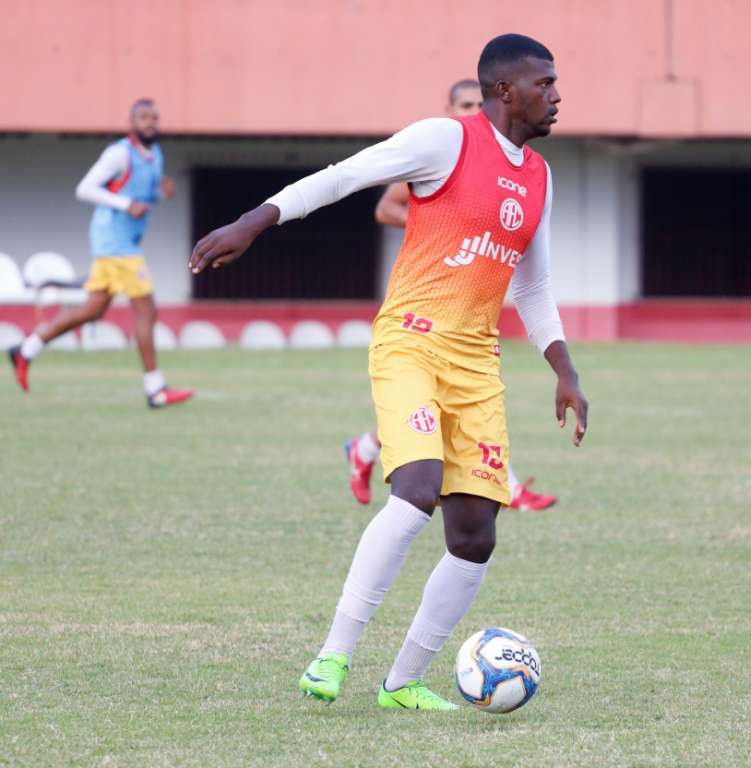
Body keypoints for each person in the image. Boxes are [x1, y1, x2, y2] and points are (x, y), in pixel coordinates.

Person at [189, 34, 587, 711]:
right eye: (545, 83)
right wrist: (253, 223)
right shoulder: (445, 140)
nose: (557, 95)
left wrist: (564, 369)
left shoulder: (540, 176)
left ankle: (402, 683)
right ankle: (332, 656)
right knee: (416, 488)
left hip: (477, 363)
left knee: (475, 533)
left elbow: (533, 284)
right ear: (504, 91)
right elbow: (344, 175)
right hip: (411, 341)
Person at [345, 78, 556, 512]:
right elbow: (385, 207)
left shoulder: (509, 164)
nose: (470, 110)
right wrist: (447, 227)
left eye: (476, 104)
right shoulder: (437, 151)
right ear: (448, 106)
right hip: (426, 301)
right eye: (463, 104)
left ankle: (365, 449)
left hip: (474, 311)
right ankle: (510, 488)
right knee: (440, 416)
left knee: (459, 409)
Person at [7, 99, 193, 409]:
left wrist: (162, 191)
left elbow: (141, 195)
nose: (150, 123)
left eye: (154, 118)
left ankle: (25, 350)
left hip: (121, 245)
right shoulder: (119, 154)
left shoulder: (155, 155)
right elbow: (85, 189)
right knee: (147, 312)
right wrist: (123, 205)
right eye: (143, 118)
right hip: (117, 246)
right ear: (131, 123)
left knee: (92, 310)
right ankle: (155, 389)